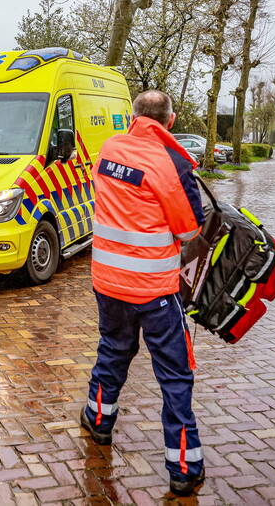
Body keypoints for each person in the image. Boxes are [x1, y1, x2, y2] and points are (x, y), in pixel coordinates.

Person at [79, 90, 206, 497]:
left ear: (133, 115)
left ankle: (99, 421)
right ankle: (183, 466)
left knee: (113, 349)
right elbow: (190, 231)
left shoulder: (109, 148)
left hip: (108, 281)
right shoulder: (173, 163)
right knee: (174, 373)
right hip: (154, 288)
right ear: (170, 121)